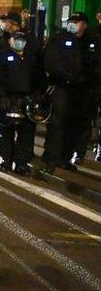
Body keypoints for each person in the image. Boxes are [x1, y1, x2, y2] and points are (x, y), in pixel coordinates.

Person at [41, 12, 101, 172]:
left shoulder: (92, 40)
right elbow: (50, 62)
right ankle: (51, 158)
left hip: (84, 91)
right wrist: (65, 77)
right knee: (57, 124)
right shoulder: (59, 38)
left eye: (77, 22)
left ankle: (65, 158)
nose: (72, 24)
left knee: (76, 126)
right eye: (71, 21)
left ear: (85, 24)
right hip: (63, 87)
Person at [0, 29, 41, 175]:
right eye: (16, 39)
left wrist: (37, 95)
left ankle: (21, 163)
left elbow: (39, 79)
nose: (20, 43)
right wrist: (0, 96)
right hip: (7, 99)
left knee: (26, 134)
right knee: (5, 132)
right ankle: (6, 161)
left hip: (27, 100)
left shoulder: (32, 58)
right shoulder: (2, 56)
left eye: (22, 40)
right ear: (10, 41)